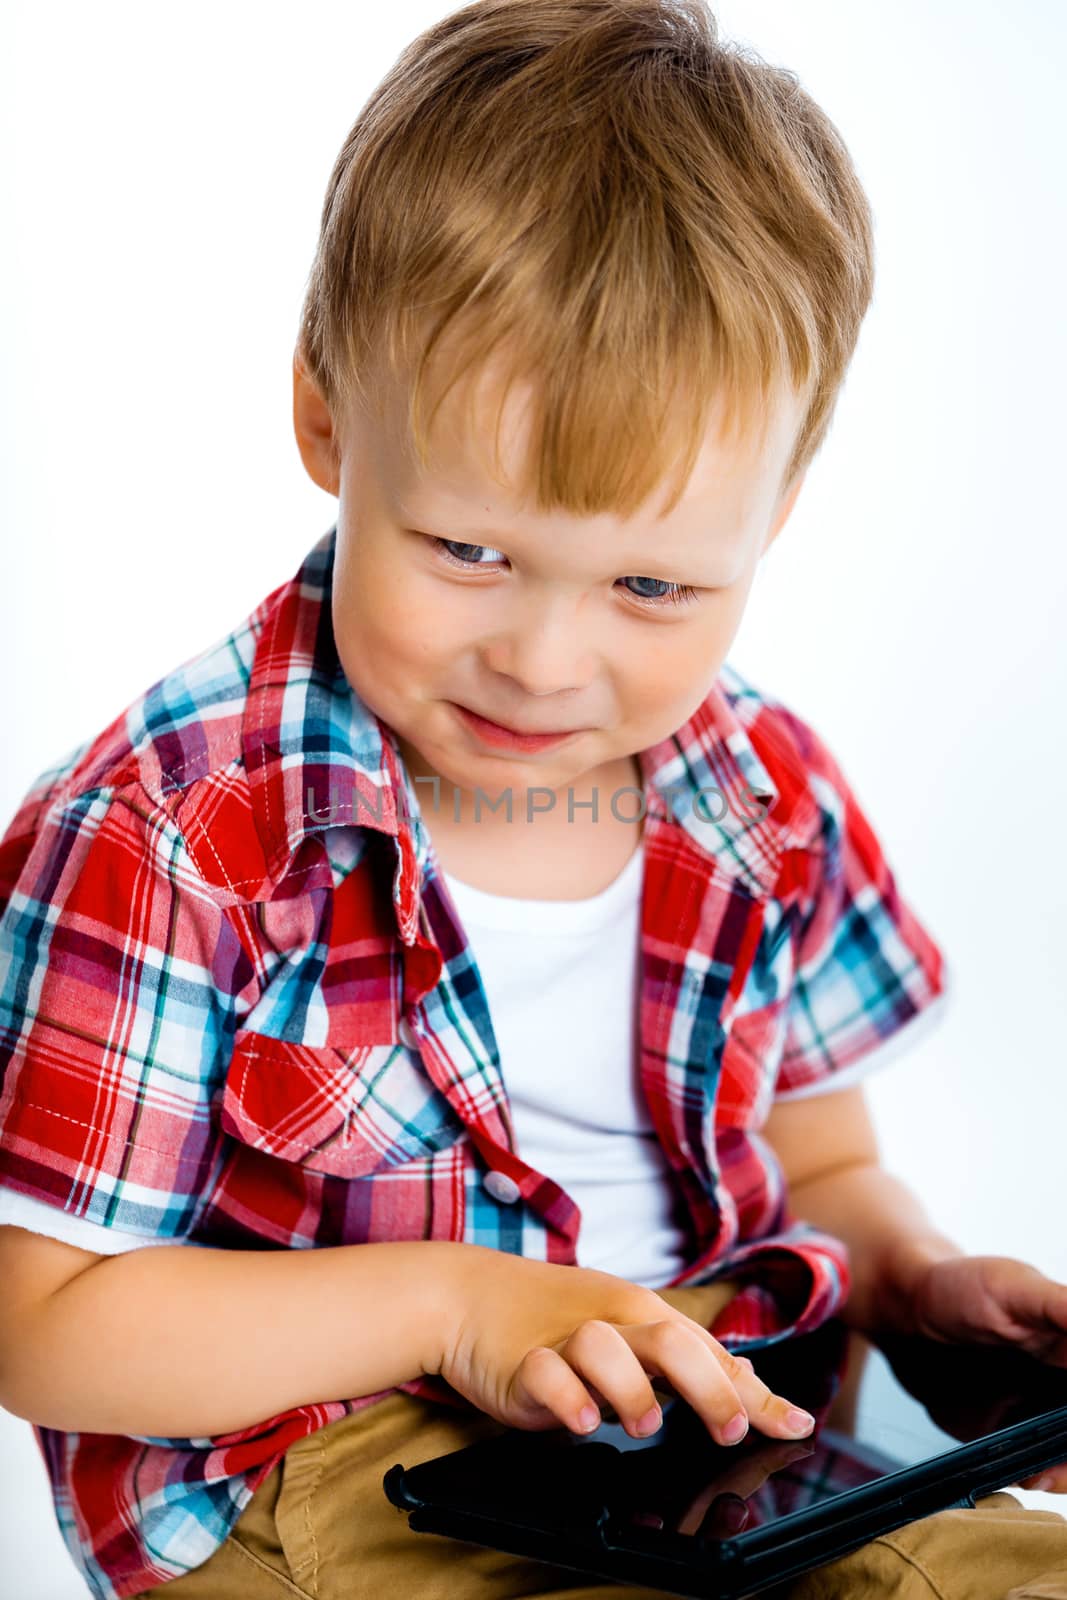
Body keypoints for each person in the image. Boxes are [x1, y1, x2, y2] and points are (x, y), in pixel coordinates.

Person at [1, 2, 1065, 1597]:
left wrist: (914, 1276)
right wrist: (463, 1308)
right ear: (325, 417)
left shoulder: (763, 791)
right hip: (334, 1450)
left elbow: (822, 1156)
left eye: (650, 584)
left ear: (778, 512)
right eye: (470, 553)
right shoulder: (172, 832)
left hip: (727, 1434)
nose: (546, 662)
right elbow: (44, 1325)